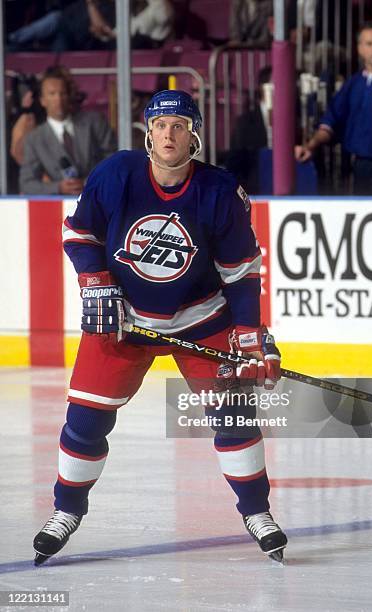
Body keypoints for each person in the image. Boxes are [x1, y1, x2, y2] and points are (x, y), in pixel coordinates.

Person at [32, 89, 287, 565]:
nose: (169, 133)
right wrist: (96, 284)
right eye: (160, 125)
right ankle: (66, 509)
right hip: (124, 320)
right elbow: (79, 233)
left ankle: (257, 511)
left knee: (233, 416)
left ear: (195, 135)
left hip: (202, 318)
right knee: (86, 420)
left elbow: (240, 273)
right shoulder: (116, 174)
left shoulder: (218, 190)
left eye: (180, 125)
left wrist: (249, 334)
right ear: (147, 132)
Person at [295, 22, 372, 195]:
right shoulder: (353, 84)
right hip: (359, 167)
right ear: (360, 48)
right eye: (369, 44)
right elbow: (331, 120)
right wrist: (311, 146)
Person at [20, 66, 116, 195]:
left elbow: (114, 161)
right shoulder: (34, 139)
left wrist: (87, 183)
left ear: (69, 96)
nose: (58, 99)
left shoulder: (95, 122)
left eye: (62, 93)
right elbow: (27, 184)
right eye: (52, 94)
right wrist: (58, 188)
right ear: (42, 100)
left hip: (101, 196)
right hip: (61, 207)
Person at [225, 66, 272, 194]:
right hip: (254, 192)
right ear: (264, 88)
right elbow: (235, 164)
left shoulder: (295, 121)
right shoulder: (245, 122)